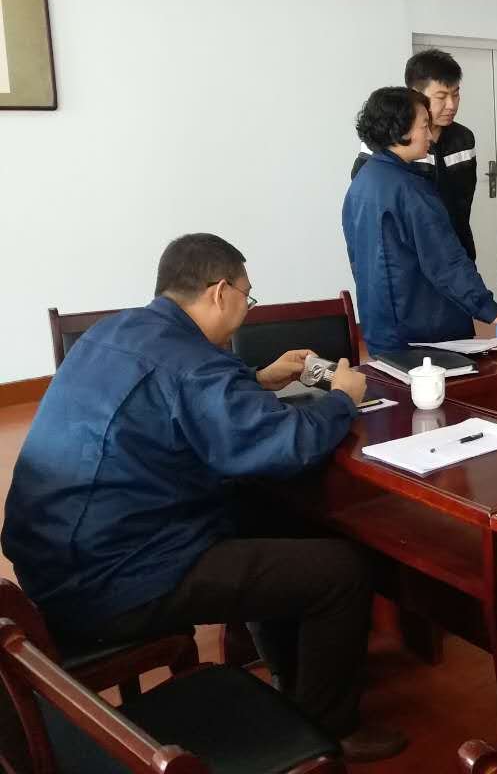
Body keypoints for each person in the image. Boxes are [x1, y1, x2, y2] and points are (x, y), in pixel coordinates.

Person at [0, 234, 407, 762]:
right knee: (342, 571)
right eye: (247, 295)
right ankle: (331, 728)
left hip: (52, 560)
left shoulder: (113, 332)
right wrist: (341, 400)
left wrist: (256, 380)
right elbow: (285, 444)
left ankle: (291, 686)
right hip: (115, 579)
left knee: (259, 518)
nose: (247, 307)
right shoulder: (193, 365)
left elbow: (176, 403)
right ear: (219, 292)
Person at [343, 87, 497, 353]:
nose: (430, 136)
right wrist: (490, 310)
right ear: (401, 130)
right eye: (424, 126)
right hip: (424, 328)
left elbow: (357, 260)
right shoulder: (410, 190)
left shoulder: (362, 181)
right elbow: (445, 261)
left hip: (381, 324)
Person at [351, 48, 478, 261]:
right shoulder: (388, 142)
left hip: (456, 255)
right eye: (441, 97)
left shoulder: (463, 139)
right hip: (407, 262)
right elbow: (368, 209)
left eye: (456, 94)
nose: (451, 105)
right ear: (416, 95)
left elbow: (463, 207)